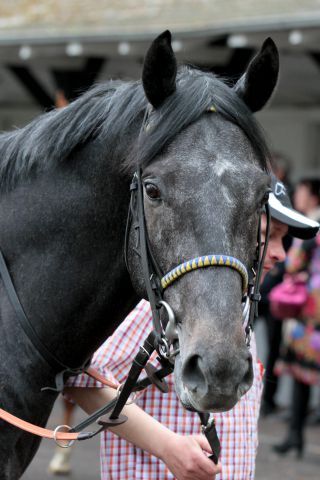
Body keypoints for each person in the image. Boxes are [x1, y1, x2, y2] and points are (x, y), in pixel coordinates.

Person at [65, 175, 319, 480]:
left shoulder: (241, 308)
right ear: (231, 232)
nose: (279, 253)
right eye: (268, 234)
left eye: (283, 239)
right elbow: (80, 377)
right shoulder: (169, 305)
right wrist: (168, 447)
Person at [273, 178, 320, 457]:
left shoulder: (313, 227)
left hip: (310, 317)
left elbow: (292, 263)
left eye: (302, 191)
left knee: (301, 381)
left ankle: (295, 436)